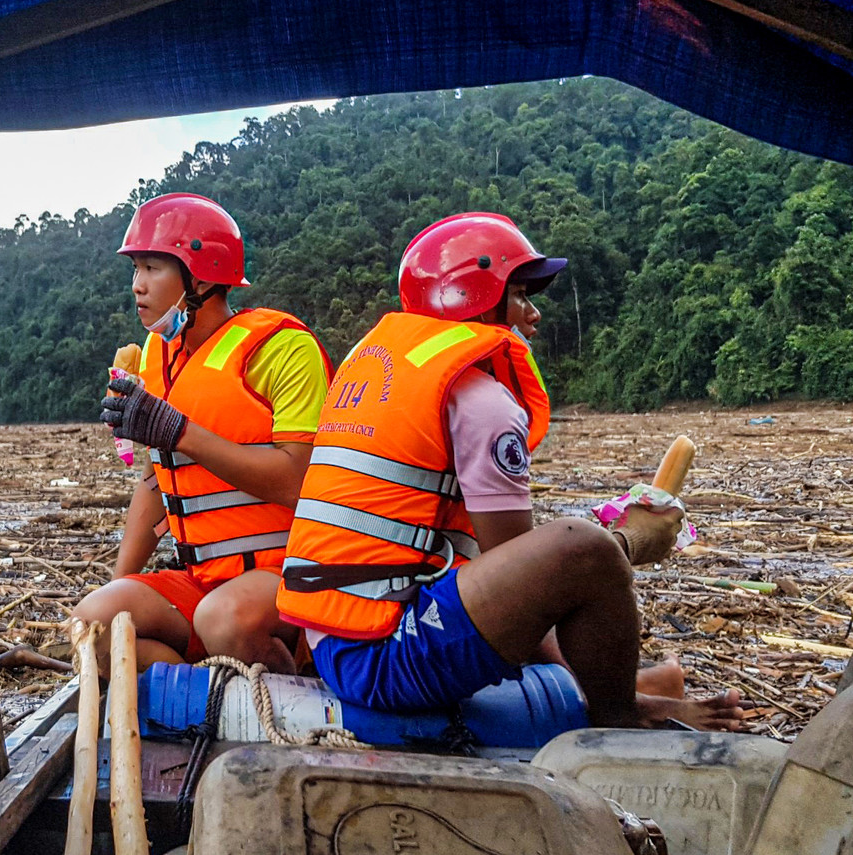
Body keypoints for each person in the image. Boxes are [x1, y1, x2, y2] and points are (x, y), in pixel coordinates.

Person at [276, 212, 743, 730]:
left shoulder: (381, 375)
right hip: (382, 656)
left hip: (335, 640)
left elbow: (508, 581)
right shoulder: (480, 401)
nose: (533, 314)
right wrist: (628, 541)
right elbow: (521, 567)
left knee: (563, 556)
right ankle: (621, 718)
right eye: (521, 294)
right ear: (476, 297)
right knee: (581, 549)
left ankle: (618, 693)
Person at [74, 192, 332, 677]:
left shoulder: (281, 349)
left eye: (153, 268)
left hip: (291, 574)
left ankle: (296, 685)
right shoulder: (156, 358)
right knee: (98, 625)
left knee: (223, 619)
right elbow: (156, 485)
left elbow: (300, 482)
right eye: (135, 269)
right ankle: (207, 697)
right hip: (204, 579)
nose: (137, 286)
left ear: (203, 278)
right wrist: (122, 586)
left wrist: (181, 432)